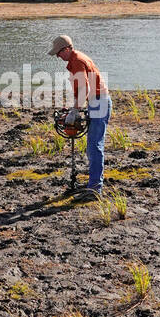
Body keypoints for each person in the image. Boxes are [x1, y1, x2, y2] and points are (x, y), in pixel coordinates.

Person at [47, 34, 112, 197]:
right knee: (93, 146)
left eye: (59, 52)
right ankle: (94, 184)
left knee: (94, 146)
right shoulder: (76, 59)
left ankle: (95, 190)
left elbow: (85, 89)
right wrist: (74, 107)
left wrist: (75, 110)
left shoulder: (77, 61)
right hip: (96, 101)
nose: (57, 56)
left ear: (67, 49)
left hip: (99, 102)